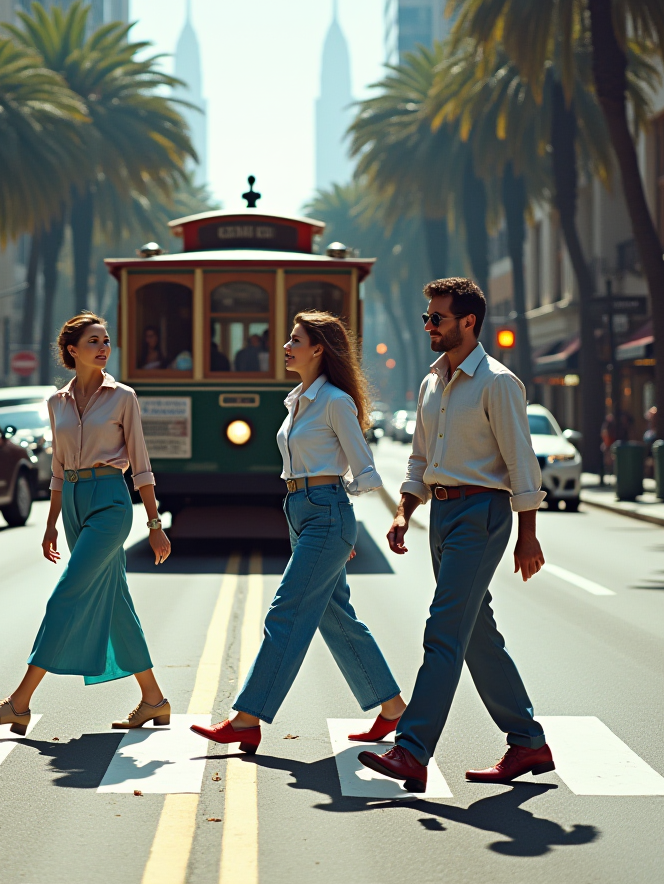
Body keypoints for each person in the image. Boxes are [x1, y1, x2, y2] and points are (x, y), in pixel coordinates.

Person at [358, 278, 553, 792]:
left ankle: (413, 750)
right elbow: (421, 458)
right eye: (426, 317)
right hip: (440, 517)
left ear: (468, 322)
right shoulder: (430, 383)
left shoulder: (498, 383)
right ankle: (528, 741)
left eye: (436, 318)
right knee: (476, 635)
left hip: (481, 515)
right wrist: (404, 512)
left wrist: (527, 535)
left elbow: (521, 464)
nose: (428, 326)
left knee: (444, 630)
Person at [192, 310, 406, 753]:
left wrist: (336, 513)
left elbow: (365, 470)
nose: (286, 346)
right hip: (300, 511)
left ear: (318, 348)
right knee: (336, 619)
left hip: (324, 512)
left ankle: (246, 718)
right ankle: (393, 709)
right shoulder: (297, 399)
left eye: (294, 340)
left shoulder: (335, 401)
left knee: (284, 612)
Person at [0, 313, 173, 734]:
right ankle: (154, 699)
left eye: (106, 341)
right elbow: (59, 468)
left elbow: (141, 463)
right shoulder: (56, 402)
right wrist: (49, 524)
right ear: (72, 350)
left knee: (65, 598)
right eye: (94, 341)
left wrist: (154, 522)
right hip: (74, 505)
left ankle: (19, 702)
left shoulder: (123, 397)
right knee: (117, 605)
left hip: (111, 502)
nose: (103, 347)